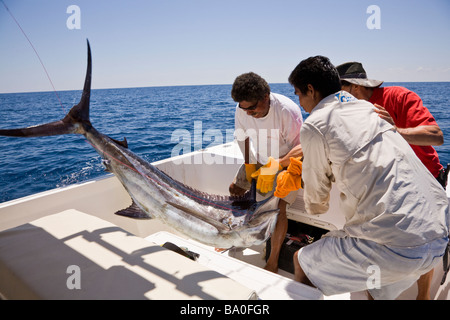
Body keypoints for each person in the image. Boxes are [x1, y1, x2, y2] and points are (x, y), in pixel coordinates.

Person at [282, 56, 449, 300]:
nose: (300, 102)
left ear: (310, 89)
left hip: (397, 249)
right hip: (438, 239)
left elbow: (317, 202)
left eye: (298, 94)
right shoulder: (371, 110)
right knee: (373, 283)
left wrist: (312, 194)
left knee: (302, 261)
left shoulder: (315, 124)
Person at [337, 61, 448, 299]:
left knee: (423, 239)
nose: (337, 99)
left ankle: (423, 295)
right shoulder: (350, 111)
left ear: (354, 87)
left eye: (339, 92)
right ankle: (372, 293)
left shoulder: (399, 96)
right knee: (370, 237)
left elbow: (436, 136)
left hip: (425, 180)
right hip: (387, 183)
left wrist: (394, 129)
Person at [229, 72, 303, 273]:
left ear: (266, 96)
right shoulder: (242, 109)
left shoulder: (287, 111)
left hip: (287, 164)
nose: (249, 114)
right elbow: (242, 137)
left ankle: (273, 259)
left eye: (253, 109)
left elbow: (302, 148)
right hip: (258, 159)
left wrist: (276, 166)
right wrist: (249, 165)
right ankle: (236, 238)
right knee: (235, 191)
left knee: (278, 209)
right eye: (245, 110)